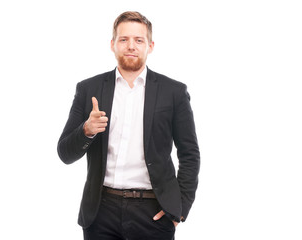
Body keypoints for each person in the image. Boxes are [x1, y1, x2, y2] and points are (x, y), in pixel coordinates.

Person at [57, 11, 200, 240]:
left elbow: (189, 153)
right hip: (100, 213)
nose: (131, 46)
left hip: (154, 212)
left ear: (150, 46)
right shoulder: (88, 89)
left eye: (138, 40)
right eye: (124, 39)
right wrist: (87, 130)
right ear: (113, 45)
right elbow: (64, 153)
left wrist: (179, 209)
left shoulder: (174, 92)